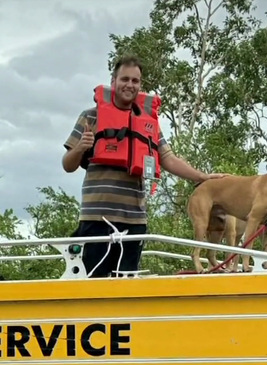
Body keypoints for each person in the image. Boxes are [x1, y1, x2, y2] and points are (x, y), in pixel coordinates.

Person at [62, 54, 227, 278]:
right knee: (94, 285)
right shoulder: (90, 116)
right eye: (125, 79)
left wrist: (203, 177)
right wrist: (81, 147)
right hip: (96, 219)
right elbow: (67, 165)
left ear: (140, 85)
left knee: (127, 288)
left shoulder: (148, 123)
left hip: (134, 220)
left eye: (135, 81)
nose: (129, 85)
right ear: (114, 82)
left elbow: (168, 159)